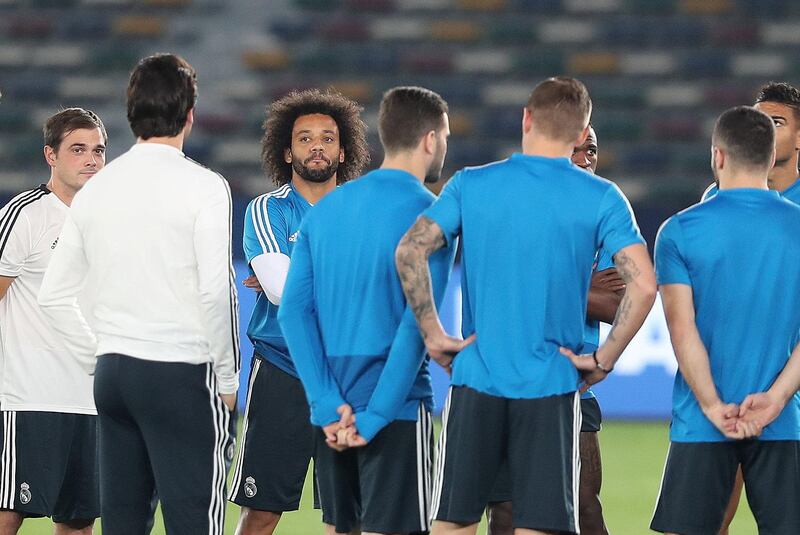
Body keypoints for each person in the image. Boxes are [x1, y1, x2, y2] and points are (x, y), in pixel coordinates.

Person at [395, 76, 656, 535]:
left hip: (477, 379)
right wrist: (603, 359)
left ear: (526, 118)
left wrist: (434, 335)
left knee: (454, 522)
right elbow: (644, 286)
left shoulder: (471, 184)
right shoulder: (601, 196)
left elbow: (411, 250)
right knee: (539, 525)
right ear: (580, 134)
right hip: (551, 385)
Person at [37, 53, 240, 534]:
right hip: (181, 374)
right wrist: (228, 382)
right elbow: (216, 293)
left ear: (130, 114)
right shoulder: (205, 187)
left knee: (124, 525)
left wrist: (98, 354)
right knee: (196, 523)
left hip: (113, 377)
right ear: (190, 114)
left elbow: (53, 296)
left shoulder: (97, 189)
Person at [279, 86, 462, 535]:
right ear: (431, 140)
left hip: (332, 413)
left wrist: (326, 404)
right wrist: (376, 414)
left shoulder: (325, 211)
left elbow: (293, 314)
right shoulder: (432, 215)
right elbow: (416, 324)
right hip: (394, 409)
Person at [650, 106, 800, 535]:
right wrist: (774, 398)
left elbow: (682, 331)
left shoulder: (678, 231)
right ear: (772, 159)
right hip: (782, 419)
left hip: (701, 422)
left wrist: (714, 405)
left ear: (717, 156)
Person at [228, 89, 369, 535]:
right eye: (305, 139)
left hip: (350, 378)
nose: (317, 147)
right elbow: (279, 290)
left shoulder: (364, 211)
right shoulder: (268, 209)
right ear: (287, 151)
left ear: (343, 150)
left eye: (327, 138)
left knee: (348, 516)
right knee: (262, 513)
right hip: (283, 373)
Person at [485, 124, 622, 535]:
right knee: (506, 511)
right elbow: (499, 291)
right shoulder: (508, 209)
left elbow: (616, 305)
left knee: (583, 510)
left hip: (572, 387)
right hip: (505, 381)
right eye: (573, 150)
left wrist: (540, 281)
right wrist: (581, 285)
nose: (584, 159)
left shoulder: (609, 220)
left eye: (591, 151)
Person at [699, 82, 800, 535]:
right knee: (710, 515)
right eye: (759, 121)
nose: (764, 129)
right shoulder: (712, 201)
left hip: (790, 396)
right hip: (732, 390)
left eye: (776, 122)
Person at [0, 108, 106, 535]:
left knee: (79, 521)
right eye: (78, 149)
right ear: (50, 155)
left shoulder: (109, 221)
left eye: (98, 150)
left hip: (92, 399)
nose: (91, 160)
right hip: (29, 395)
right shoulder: (25, 214)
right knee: (9, 513)